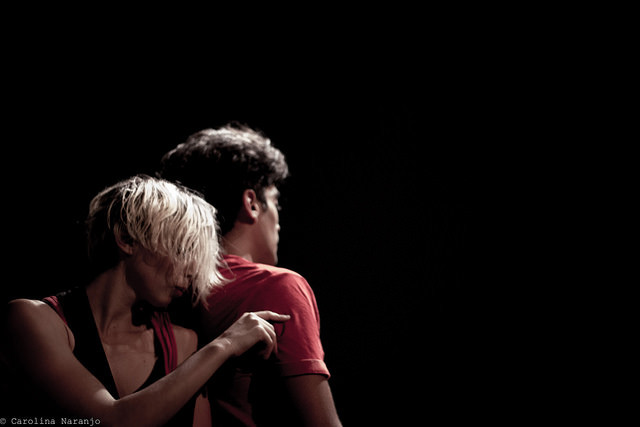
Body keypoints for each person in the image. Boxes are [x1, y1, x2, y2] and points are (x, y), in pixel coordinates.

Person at [0, 175, 289, 426]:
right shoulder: (33, 319)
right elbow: (112, 421)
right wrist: (224, 344)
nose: (192, 271)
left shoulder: (183, 345)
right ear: (127, 238)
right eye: (183, 248)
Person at [158, 124, 342, 426]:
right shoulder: (279, 286)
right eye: (276, 201)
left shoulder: (162, 287)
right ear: (252, 203)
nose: (279, 220)